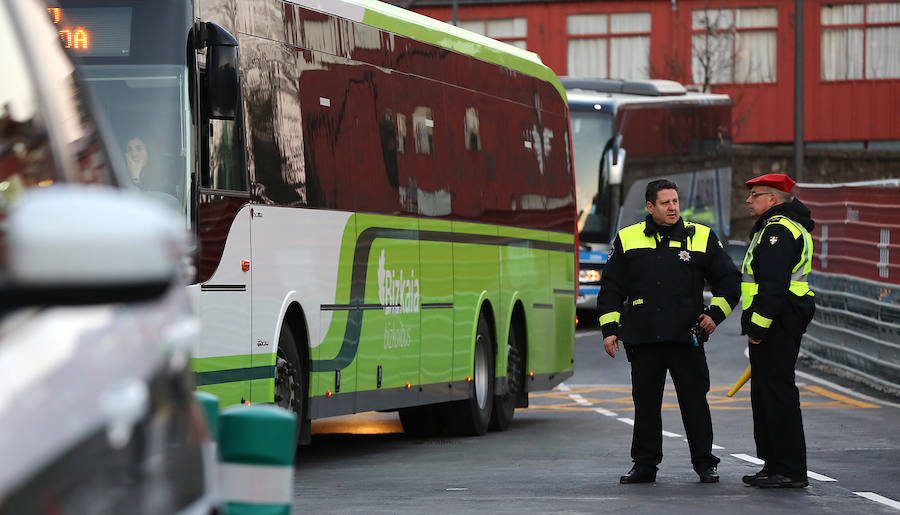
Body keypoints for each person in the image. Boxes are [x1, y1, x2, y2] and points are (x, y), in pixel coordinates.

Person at [598, 179, 740, 484]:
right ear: (650, 207)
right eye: (665, 203)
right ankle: (644, 465)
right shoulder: (628, 238)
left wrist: (715, 315)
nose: (673, 207)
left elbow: (730, 281)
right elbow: (611, 288)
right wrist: (609, 330)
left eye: (675, 201)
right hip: (644, 338)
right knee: (646, 406)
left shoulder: (700, 237)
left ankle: (705, 463)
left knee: (695, 403)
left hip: (686, 338)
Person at [740, 173, 816, 489]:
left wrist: (758, 327)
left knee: (777, 394)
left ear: (772, 199)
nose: (748, 200)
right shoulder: (777, 227)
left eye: (755, 195)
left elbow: (773, 285)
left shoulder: (777, 230)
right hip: (779, 318)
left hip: (777, 320)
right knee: (766, 395)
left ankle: (789, 469)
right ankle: (774, 464)